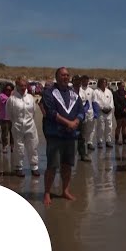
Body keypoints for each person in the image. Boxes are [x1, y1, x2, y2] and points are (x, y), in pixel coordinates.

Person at [41, 67, 84, 207]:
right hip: (55, 135)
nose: (65, 77)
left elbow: (81, 111)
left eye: (67, 75)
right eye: (62, 75)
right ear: (57, 77)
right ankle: (47, 192)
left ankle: (65, 190)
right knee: (52, 166)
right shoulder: (49, 92)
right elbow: (51, 112)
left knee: (67, 165)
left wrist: (76, 122)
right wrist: (68, 123)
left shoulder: (74, 94)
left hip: (71, 136)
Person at [6, 76, 40, 177]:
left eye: (25, 85)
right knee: (18, 147)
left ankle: (34, 167)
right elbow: (9, 114)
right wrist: (17, 122)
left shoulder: (30, 97)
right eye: (21, 85)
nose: (23, 87)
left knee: (33, 146)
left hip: (30, 125)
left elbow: (33, 111)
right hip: (17, 126)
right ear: (17, 86)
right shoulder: (12, 99)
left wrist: (28, 121)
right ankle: (18, 167)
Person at [93, 77, 115, 149]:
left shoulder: (109, 91)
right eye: (103, 82)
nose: (104, 84)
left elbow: (112, 101)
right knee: (101, 127)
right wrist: (102, 108)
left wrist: (110, 108)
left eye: (105, 82)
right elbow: (96, 102)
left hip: (109, 112)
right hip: (101, 112)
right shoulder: (96, 91)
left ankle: (108, 141)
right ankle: (100, 141)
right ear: (99, 83)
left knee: (109, 127)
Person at [79, 75, 96, 150]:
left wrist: (95, 112)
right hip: (81, 113)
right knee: (82, 129)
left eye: (86, 80)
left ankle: (90, 142)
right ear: (81, 81)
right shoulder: (78, 90)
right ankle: (82, 143)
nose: (85, 82)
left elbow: (94, 102)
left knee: (91, 128)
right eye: (83, 80)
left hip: (90, 113)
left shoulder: (91, 91)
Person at [0, 82, 14, 153]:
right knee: (5, 133)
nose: (8, 91)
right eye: (7, 89)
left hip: (12, 118)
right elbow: (8, 101)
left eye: (10, 90)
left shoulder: (13, 96)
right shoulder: (2, 95)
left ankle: (12, 146)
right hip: (4, 118)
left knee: (13, 133)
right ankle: (4, 146)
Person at [113, 80, 126, 145]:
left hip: (125, 112)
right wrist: (122, 109)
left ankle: (124, 139)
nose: (123, 87)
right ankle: (116, 140)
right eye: (121, 86)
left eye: (123, 86)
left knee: (124, 126)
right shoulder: (115, 93)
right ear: (118, 86)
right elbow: (116, 103)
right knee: (118, 126)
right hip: (118, 112)